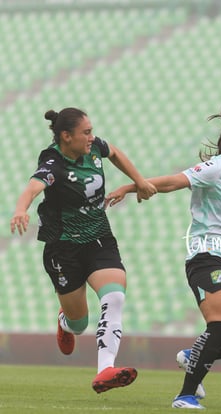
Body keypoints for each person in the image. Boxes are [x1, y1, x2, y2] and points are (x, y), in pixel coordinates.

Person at [106, 98, 221, 409]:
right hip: (207, 255)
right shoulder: (215, 168)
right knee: (220, 324)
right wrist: (132, 186)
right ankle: (185, 395)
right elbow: (174, 181)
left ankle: (194, 355)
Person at [10, 107, 157, 393]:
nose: (92, 137)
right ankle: (66, 323)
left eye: (91, 131)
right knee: (80, 323)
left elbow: (113, 152)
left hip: (99, 239)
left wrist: (139, 181)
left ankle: (105, 370)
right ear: (66, 136)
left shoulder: (94, 148)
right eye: (85, 132)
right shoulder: (53, 161)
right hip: (63, 248)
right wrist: (20, 210)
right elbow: (33, 187)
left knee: (114, 297)